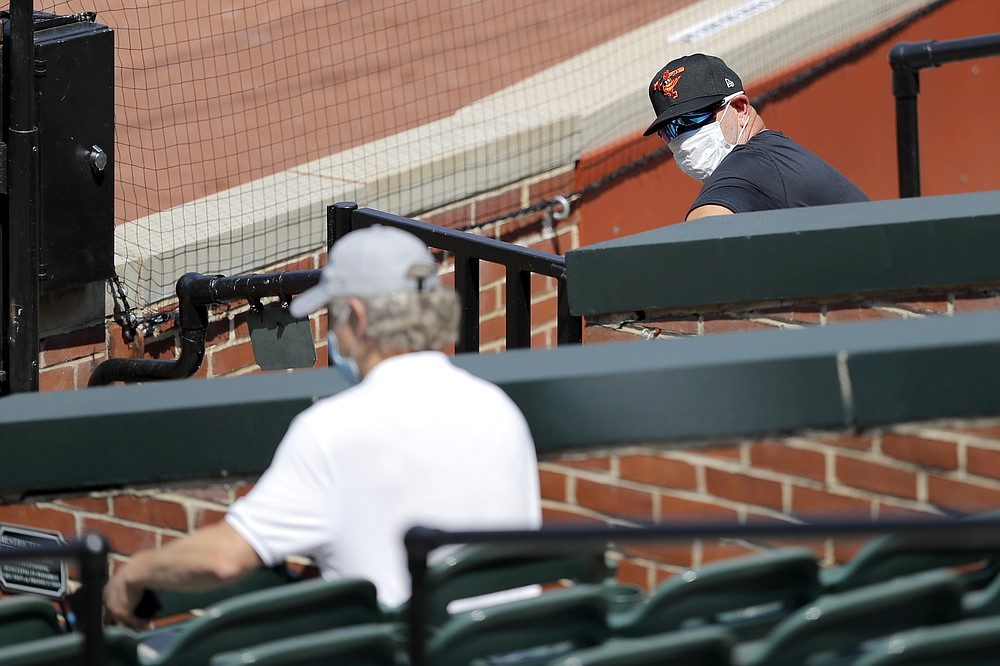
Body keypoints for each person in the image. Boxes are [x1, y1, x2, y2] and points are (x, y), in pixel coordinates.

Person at [104, 225, 542, 628]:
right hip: (512, 648)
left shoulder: (331, 431)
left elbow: (224, 558)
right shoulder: (498, 408)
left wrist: (134, 574)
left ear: (359, 316)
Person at [644, 53, 869, 221]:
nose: (683, 137)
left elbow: (696, 239)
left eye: (692, 119)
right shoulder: (773, 157)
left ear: (740, 108)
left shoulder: (752, 165)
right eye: (670, 130)